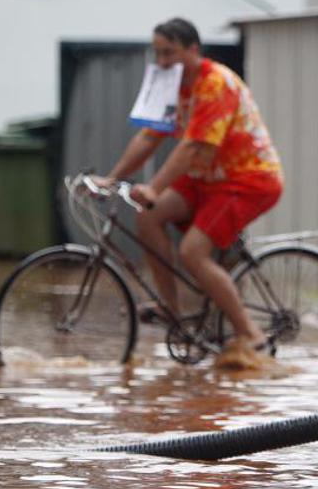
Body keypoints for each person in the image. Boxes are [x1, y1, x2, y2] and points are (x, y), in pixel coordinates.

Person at [98, 18, 283, 369]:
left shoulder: (216, 83)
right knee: (148, 216)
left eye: (170, 53)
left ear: (193, 50)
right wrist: (112, 178)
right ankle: (171, 309)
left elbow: (194, 148)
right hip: (206, 178)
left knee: (193, 251)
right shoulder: (171, 84)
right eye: (158, 53)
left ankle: (251, 336)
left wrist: (154, 187)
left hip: (247, 178)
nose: (163, 61)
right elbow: (150, 137)